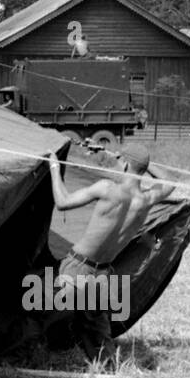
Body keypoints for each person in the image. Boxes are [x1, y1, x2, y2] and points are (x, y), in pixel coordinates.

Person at [46, 144, 176, 361]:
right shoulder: (145, 199)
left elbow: (62, 202)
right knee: (97, 330)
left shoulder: (107, 188)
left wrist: (53, 168)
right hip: (103, 273)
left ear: (124, 164)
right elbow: (171, 182)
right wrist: (143, 163)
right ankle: (104, 370)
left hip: (78, 266)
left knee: (47, 315)